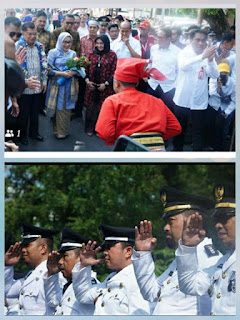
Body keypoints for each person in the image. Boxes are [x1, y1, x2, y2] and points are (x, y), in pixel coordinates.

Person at [132, 186, 222, 315]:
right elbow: (151, 293)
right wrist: (142, 254)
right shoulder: (181, 257)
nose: (166, 228)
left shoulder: (209, 258)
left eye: (171, 221)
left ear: (192, 221)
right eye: (165, 222)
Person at [176, 182, 236, 315]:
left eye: (225, 218)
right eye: (216, 220)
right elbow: (190, 286)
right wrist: (187, 248)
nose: (218, 225)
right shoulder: (224, 261)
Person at [96, 58, 181, 150]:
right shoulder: (157, 101)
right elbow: (175, 128)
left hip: (131, 150)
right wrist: (155, 138)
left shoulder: (112, 101)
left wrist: (124, 139)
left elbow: (105, 133)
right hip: (158, 155)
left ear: (117, 84)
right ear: (136, 84)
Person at [72, 224, 152, 315]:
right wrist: (84, 265)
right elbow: (83, 295)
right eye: (105, 249)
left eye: (109, 248)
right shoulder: (111, 278)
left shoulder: (137, 281)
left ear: (128, 252)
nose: (105, 252)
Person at [173, 29, 219, 151]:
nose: (200, 43)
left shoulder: (206, 55)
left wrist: (210, 61)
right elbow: (183, 66)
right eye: (197, 40)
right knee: (179, 131)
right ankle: (176, 156)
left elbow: (214, 75)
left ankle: (196, 158)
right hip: (182, 100)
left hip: (199, 101)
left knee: (198, 133)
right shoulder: (184, 53)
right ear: (191, 40)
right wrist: (202, 57)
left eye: (203, 40)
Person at [5, 223, 60, 315]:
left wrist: (52, 275)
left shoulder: (54, 275)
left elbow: (55, 302)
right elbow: (7, 292)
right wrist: (7, 266)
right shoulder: (31, 275)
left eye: (27, 245)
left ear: (43, 248)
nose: (23, 250)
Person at [43, 227, 97, 315]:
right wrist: (51, 274)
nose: (60, 262)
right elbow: (53, 302)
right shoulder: (69, 285)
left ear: (81, 258)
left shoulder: (90, 287)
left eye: (65, 256)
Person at [16, 22, 47, 145]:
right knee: (23, 113)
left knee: (35, 112)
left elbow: (44, 66)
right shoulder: (17, 47)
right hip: (24, 88)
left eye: (35, 34)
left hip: (37, 87)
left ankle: (34, 133)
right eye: (30, 34)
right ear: (23, 34)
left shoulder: (40, 47)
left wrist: (44, 81)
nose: (33, 37)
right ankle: (22, 136)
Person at [46, 32, 80, 139]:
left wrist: (72, 73)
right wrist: (62, 74)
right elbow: (48, 70)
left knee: (67, 108)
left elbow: (77, 69)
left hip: (69, 85)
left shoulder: (73, 53)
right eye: (65, 42)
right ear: (60, 41)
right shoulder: (53, 52)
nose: (67, 45)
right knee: (57, 107)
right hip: (57, 85)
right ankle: (57, 130)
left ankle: (64, 130)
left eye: (69, 42)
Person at [84, 34, 117, 136]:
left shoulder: (112, 55)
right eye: (97, 43)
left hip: (105, 86)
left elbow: (114, 71)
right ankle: (89, 127)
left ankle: (99, 128)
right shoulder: (91, 54)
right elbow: (85, 69)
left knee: (102, 108)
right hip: (92, 85)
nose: (99, 45)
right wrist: (87, 81)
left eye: (101, 43)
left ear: (106, 43)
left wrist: (106, 84)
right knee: (90, 107)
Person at [147, 27, 180, 114]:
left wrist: (175, 87)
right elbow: (150, 63)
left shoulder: (178, 52)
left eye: (161, 38)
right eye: (157, 37)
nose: (158, 39)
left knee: (165, 113)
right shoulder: (153, 48)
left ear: (169, 38)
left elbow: (179, 72)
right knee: (150, 112)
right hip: (153, 85)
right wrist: (147, 74)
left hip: (168, 88)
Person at [207, 62, 235, 150]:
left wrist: (226, 112)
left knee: (223, 129)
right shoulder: (213, 79)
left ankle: (221, 147)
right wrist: (218, 88)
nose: (223, 75)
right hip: (214, 106)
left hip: (226, 107)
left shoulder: (233, 83)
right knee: (211, 126)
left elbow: (235, 100)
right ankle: (211, 146)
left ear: (229, 74)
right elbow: (211, 93)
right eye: (221, 73)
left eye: (225, 73)